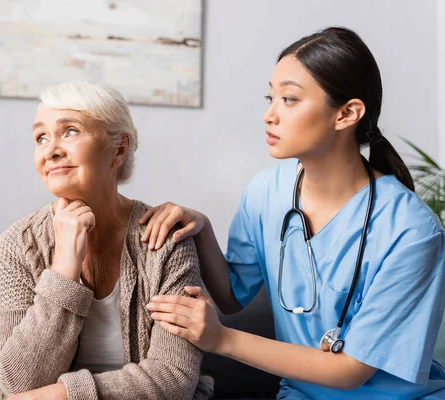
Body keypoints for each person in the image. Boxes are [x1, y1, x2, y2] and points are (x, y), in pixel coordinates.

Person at [141, 27, 445, 399]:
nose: (269, 115)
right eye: (271, 97)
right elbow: (232, 297)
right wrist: (202, 229)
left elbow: (351, 370)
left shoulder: (412, 230)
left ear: (347, 113)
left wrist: (222, 339)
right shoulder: (265, 192)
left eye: (289, 99)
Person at [0, 81, 213, 400]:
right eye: (41, 137)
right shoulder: (16, 245)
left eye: (70, 131)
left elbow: (174, 377)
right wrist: (65, 266)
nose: (51, 150)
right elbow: (18, 383)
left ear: (119, 149)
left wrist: (65, 395)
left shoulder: (165, 239)